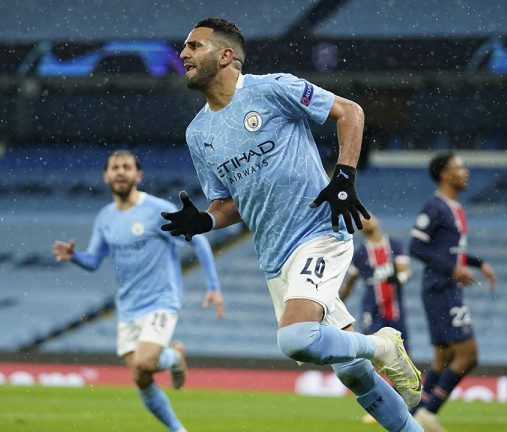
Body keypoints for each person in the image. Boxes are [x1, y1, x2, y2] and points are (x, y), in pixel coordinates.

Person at [161, 17, 423, 432]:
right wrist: (207, 219)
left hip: (318, 233)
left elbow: (349, 112)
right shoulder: (198, 133)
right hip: (275, 257)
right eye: (184, 47)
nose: (183, 54)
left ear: (226, 55)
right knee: (352, 372)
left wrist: (343, 177)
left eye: (194, 46)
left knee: (296, 338)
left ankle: (383, 345)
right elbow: (228, 203)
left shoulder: (271, 89)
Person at [52, 150, 224, 432]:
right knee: (141, 377)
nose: (121, 172)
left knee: (145, 362)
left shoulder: (156, 210)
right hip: (128, 307)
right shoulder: (105, 218)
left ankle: (174, 357)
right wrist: (75, 257)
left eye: (127, 167)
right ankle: (178, 428)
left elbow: (198, 240)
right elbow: (94, 261)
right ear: (106, 176)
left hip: (161, 301)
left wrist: (213, 287)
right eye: (115, 167)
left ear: (138, 175)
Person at [409, 151, 496, 432]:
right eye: (460, 167)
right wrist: (452, 270)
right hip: (441, 288)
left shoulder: (453, 207)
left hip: (445, 286)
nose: (466, 171)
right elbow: (416, 247)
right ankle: (429, 413)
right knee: (468, 355)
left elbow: (449, 251)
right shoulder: (434, 207)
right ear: (446, 175)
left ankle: (414, 414)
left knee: (443, 357)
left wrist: (477, 262)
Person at [340, 213, 412, 345]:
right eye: (361, 220)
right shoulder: (360, 254)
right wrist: (335, 304)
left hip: (394, 307)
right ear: (359, 228)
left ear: (377, 220)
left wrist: (399, 278)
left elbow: (406, 271)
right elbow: (349, 284)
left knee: (402, 347)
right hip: (372, 308)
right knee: (373, 347)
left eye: (369, 217)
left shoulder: (394, 245)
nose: (366, 221)